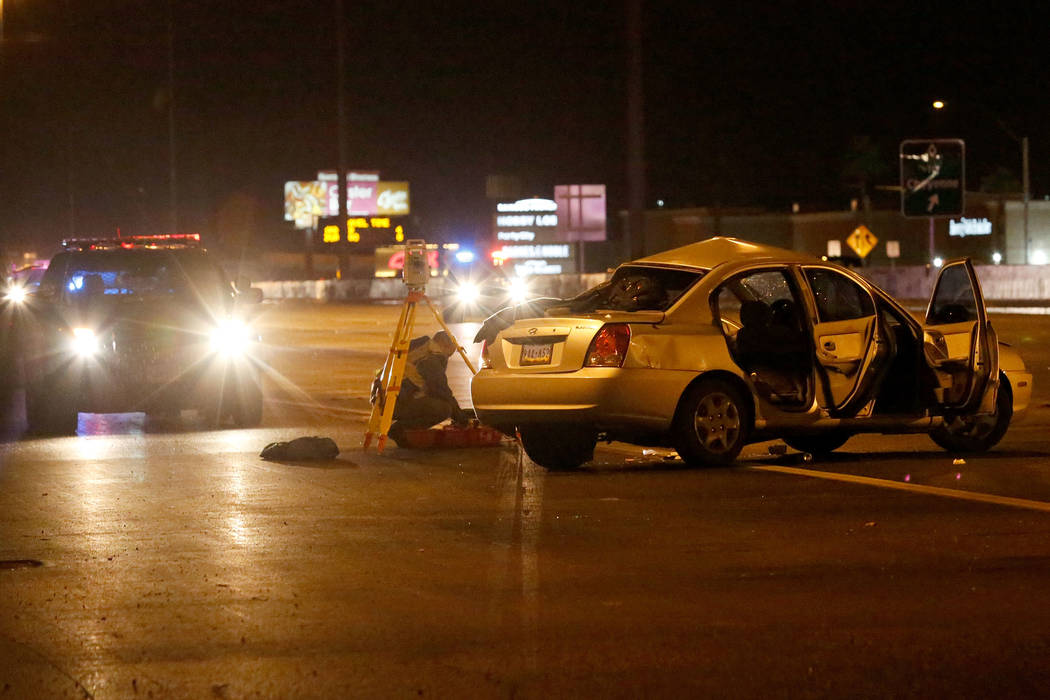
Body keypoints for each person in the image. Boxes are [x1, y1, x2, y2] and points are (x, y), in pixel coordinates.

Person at [386, 330, 472, 446]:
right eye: (448, 355)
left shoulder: (420, 347)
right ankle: (400, 430)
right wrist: (461, 418)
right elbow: (441, 391)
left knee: (435, 401)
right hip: (396, 401)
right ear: (445, 345)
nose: (447, 359)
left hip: (385, 397)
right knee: (444, 409)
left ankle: (400, 430)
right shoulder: (432, 358)